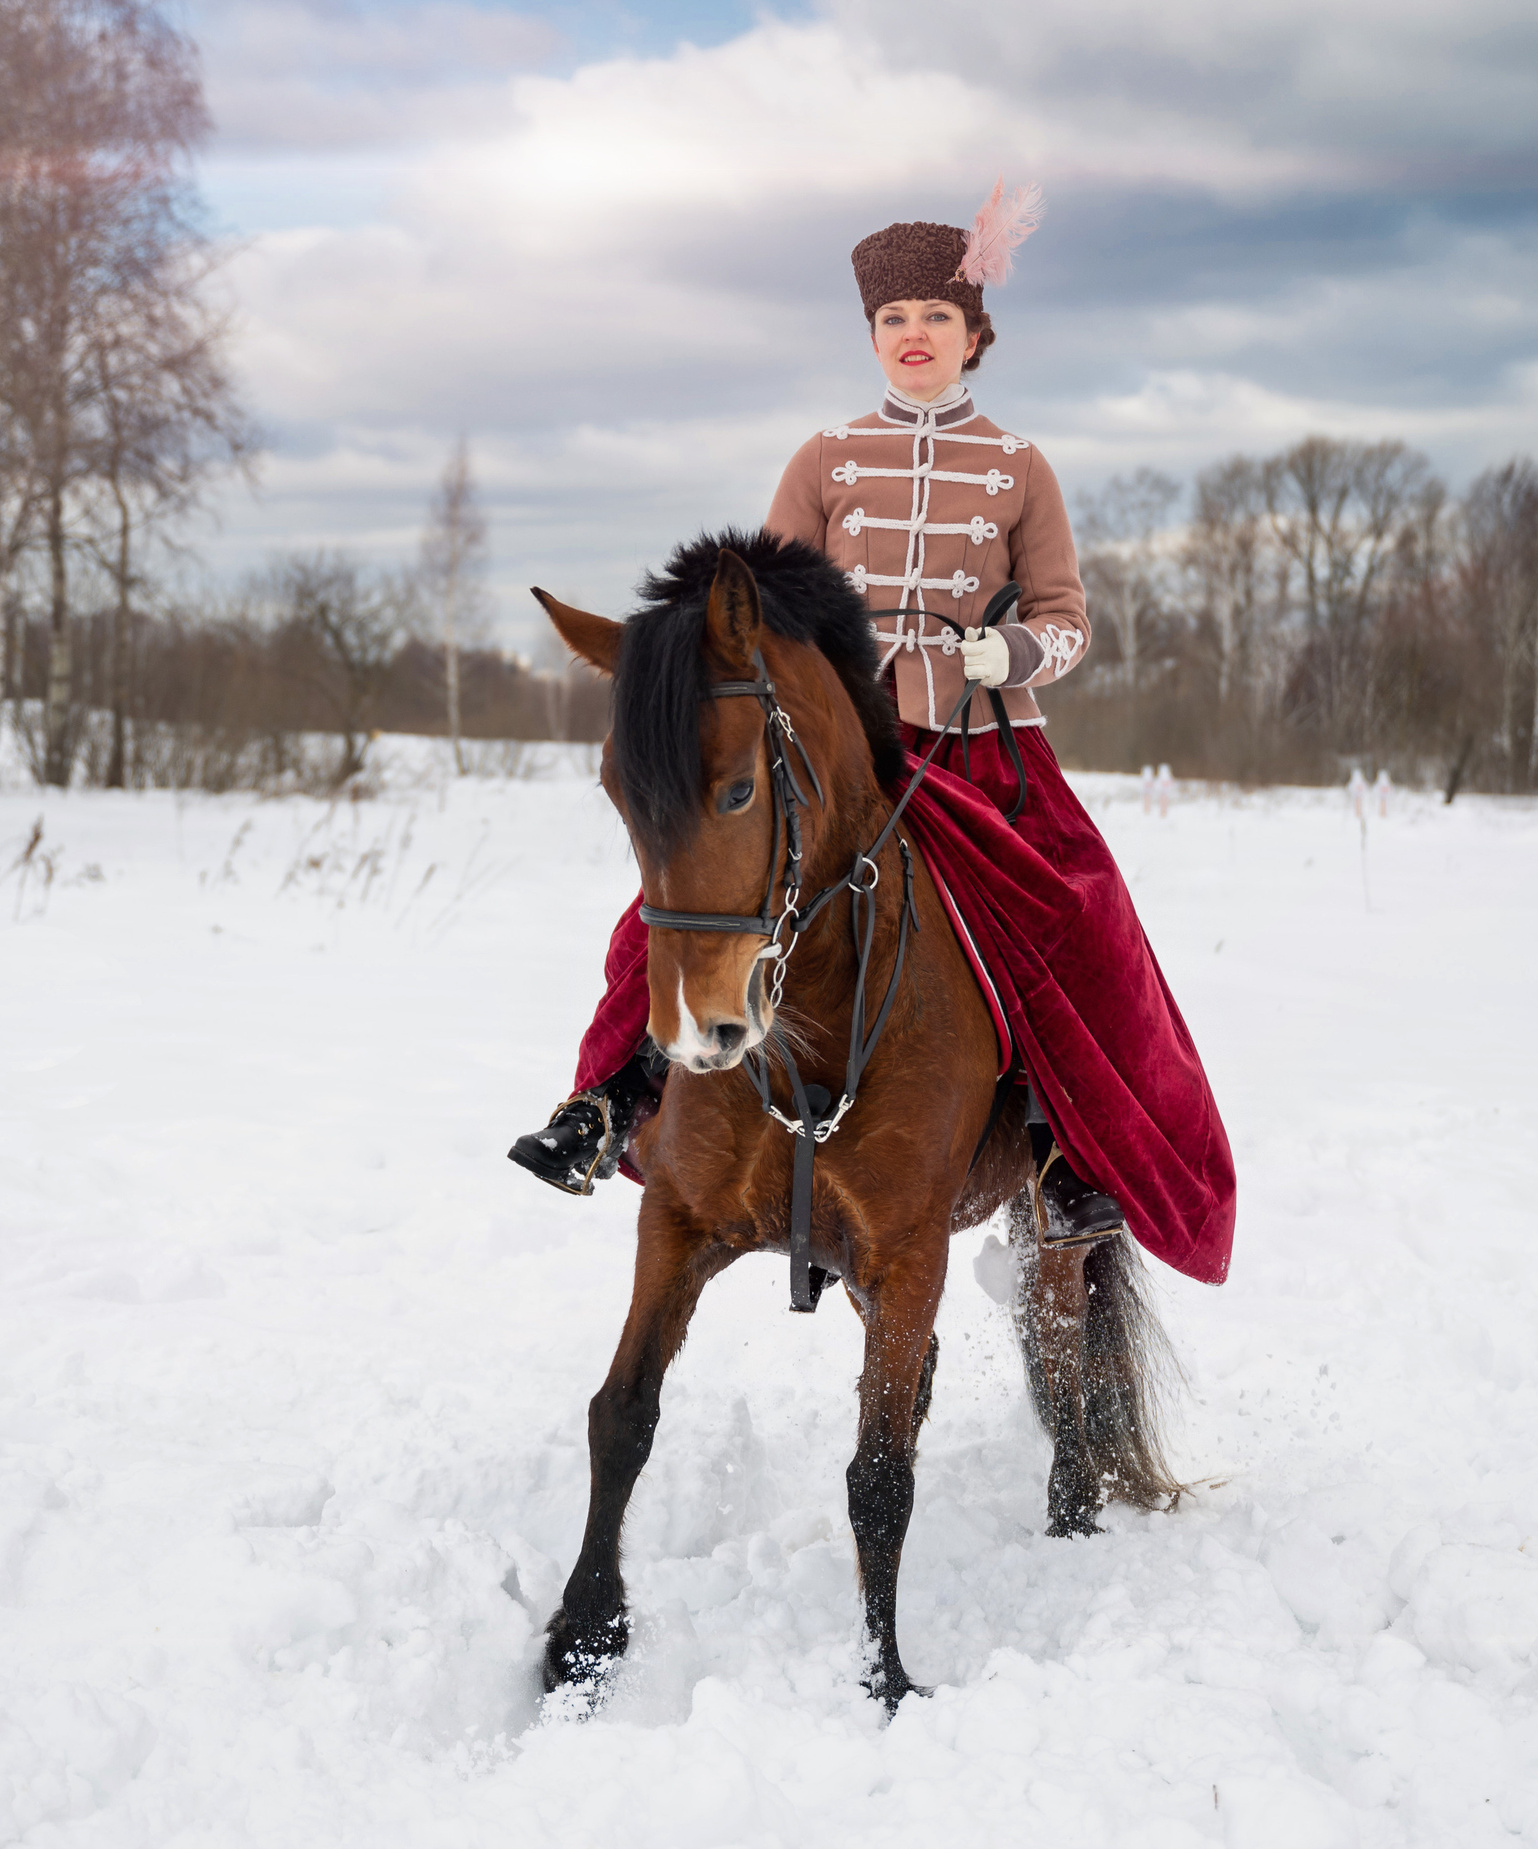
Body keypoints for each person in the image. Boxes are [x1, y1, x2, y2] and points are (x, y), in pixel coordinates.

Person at [508, 184, 1237, 1285]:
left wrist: (1014, 655)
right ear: (871, 335)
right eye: (893, 320)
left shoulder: (1020, 467)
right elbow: (743, 611)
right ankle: (611, 1099)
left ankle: (1065, 1154)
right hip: (842, 749)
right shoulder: (825, 459)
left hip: (978, 748)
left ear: (974, 336)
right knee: (673, 895)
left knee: (1082, 922)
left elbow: (1069, 622)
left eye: (935, 319)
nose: (913, 337)